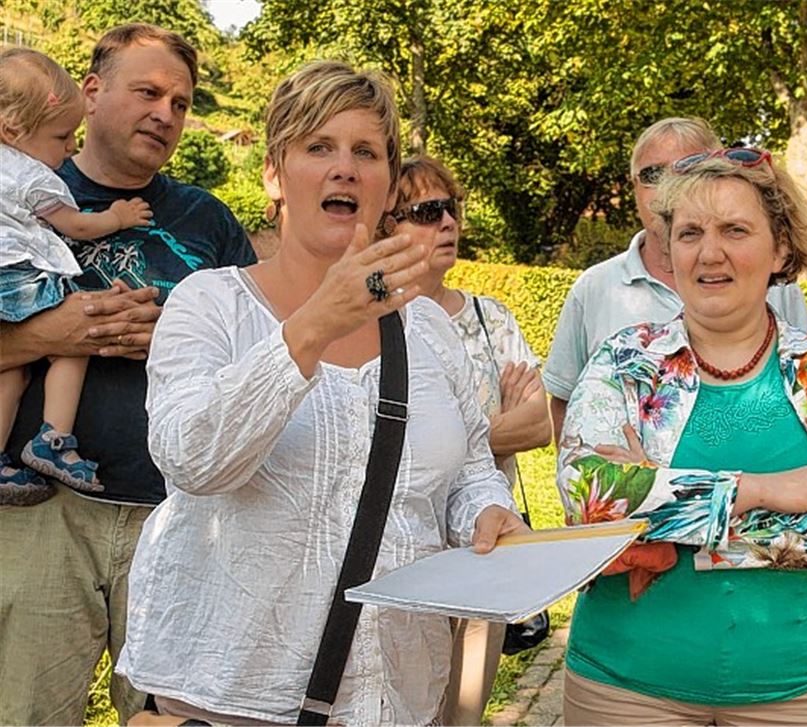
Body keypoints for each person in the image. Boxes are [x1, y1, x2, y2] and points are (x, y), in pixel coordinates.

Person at [118, 61, 527, 725]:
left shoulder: (426, 326)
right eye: (318, 147)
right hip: (233, 700)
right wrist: (312, 326)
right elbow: (192, 459)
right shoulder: (211, 304)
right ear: (275, 175)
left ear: (387, 183)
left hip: (396, 698)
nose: (344, 168)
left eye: (365, 152)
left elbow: (469, 470)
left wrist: (486, 513)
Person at [555, 150, 807, 726]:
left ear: (781, 248)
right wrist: (764, 490)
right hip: (624, 689)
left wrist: (663, 523)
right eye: (689, 232)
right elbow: (590, 498)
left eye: (735, 230)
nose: (709, 252)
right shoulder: (622, 362)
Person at [0, 24, 256, 725]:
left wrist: (177, 340)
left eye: (180, 101)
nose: (165, 113)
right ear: (90, 92)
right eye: (147, 91)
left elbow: (264, 358)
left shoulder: (209, 219)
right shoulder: (14, 186)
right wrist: (54, 333)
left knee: (170, 716)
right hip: (38, 518)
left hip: (176, 519)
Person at [391, 155, 552, 726]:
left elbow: (539, 424)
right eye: (427, 212)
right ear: (388, 224)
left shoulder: (491, 318)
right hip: (400, 557)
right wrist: (489, 431)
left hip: (482, 546)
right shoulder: (369, 321)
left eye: (451, 209)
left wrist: (449, 441)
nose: (448, 224)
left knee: (462, 715)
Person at [543, 117, 807, 442]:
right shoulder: (597, 297)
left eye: (735, 230)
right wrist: (775, 488)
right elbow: (576, 437)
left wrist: (648, 481)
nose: (710, 254)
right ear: (633, 185)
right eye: (653, 174)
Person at [0, 48, 153, 503]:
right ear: (13, 130)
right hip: (22, 276)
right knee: (76, 340)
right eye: (62, 136)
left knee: (12, 370)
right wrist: (118, 217)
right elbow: (77, 225)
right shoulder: (32, 176)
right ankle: (54, 439)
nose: (68, 148)